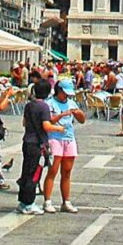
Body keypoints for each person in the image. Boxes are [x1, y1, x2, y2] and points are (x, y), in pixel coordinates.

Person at [41, 77, 88, 213]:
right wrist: (62, 115)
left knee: (67, 171)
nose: (66, 96)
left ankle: (66, 201)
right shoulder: (50, 103)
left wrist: (79, 113)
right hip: (55, 138)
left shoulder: (72, 103)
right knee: (53, 170)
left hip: (69, 137)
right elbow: (49, 121)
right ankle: (47, 201)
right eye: (65, 93)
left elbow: (82, 120)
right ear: (59, 90)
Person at [16, 76, 53, 215]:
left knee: (26, 172)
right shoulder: (44, 106)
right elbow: (46, 125)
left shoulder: (29, 105)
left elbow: (24, 123)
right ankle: (29, 203)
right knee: (34, 174)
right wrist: (59, 128)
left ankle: (22, 201)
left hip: (27, 141)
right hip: (37, 144)